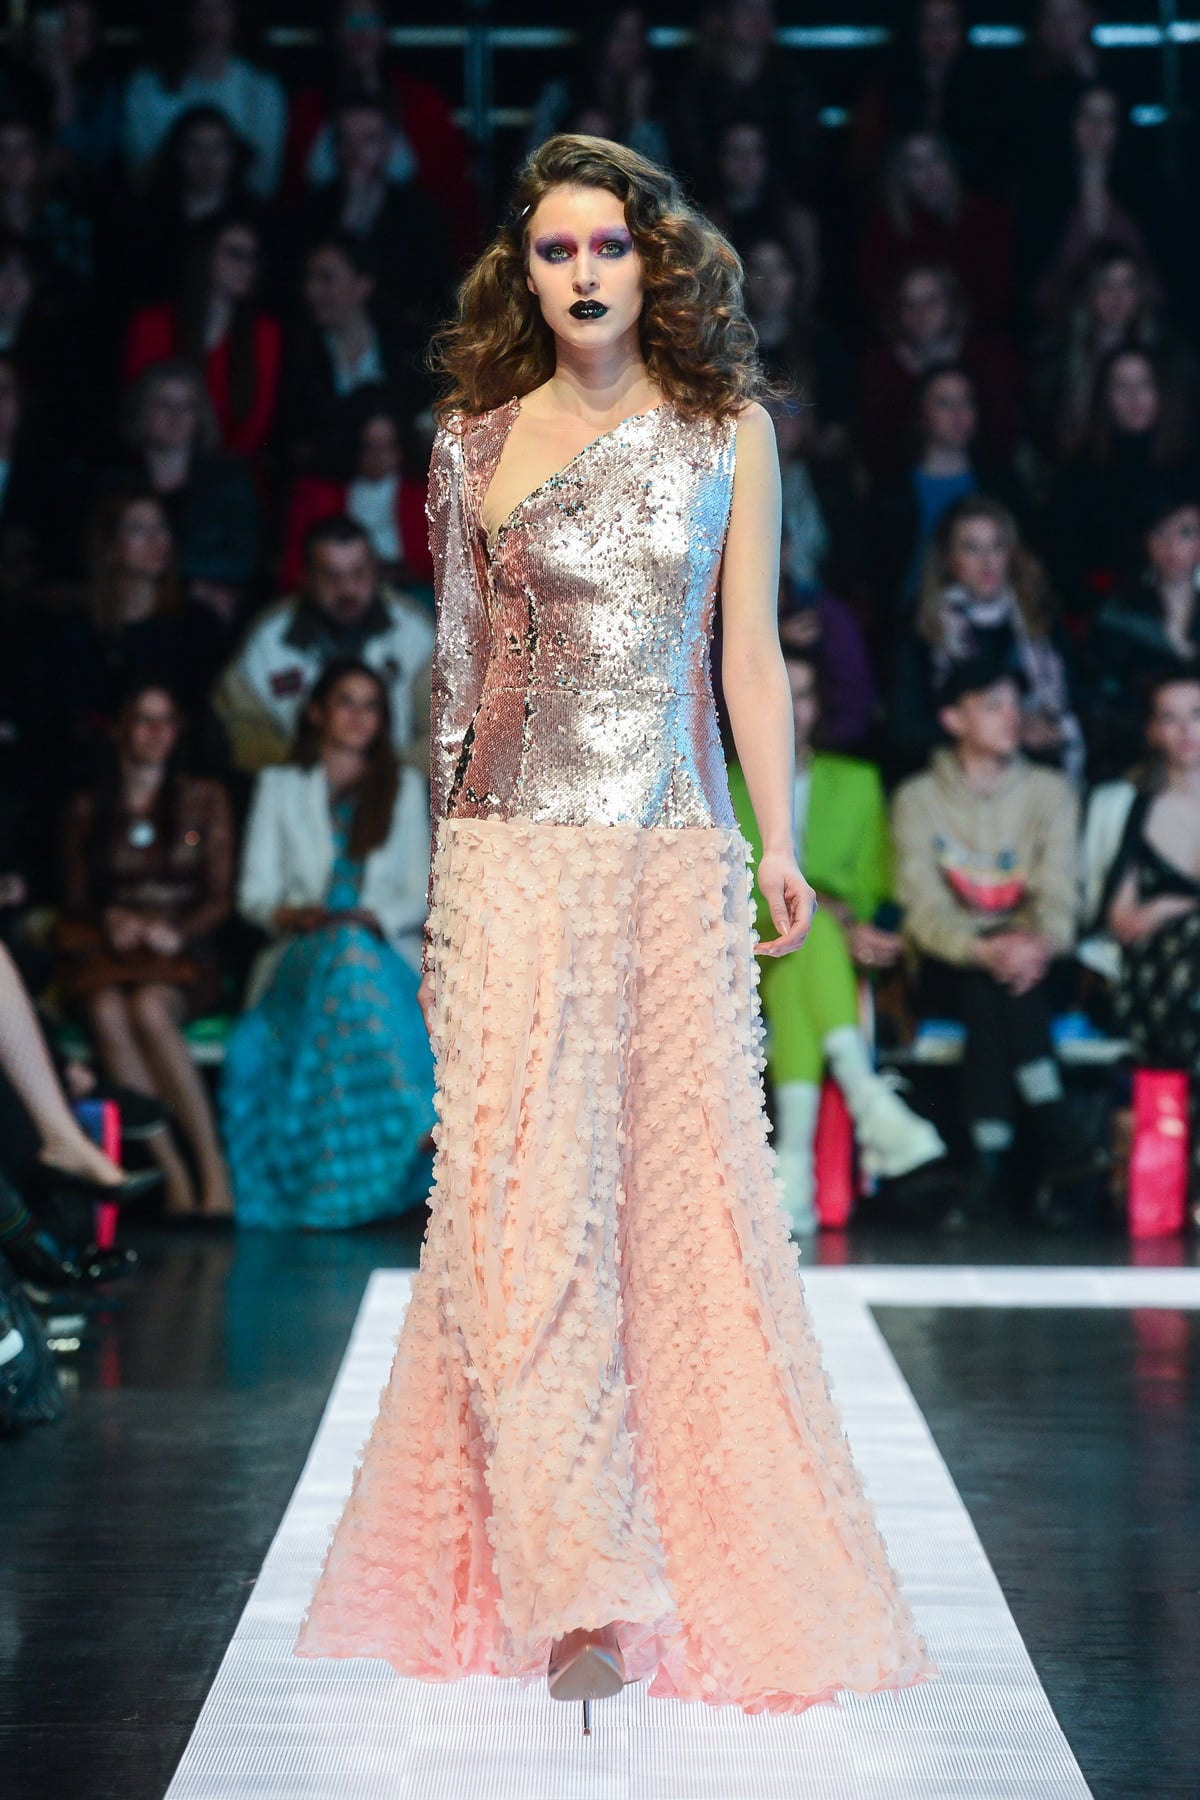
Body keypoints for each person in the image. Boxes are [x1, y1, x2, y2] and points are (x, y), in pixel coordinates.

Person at [294, 131, 935, 1724]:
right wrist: (444, 890)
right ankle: (573, 1575)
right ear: (522, 275)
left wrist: (778, 843)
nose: (584, 273)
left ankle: (668, 1550)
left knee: (672, 1213)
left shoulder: (728, 433)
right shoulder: (470, 440)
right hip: (510, 862)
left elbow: (746, 662)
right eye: (555, 250)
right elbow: (456, 683)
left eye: (609, 246)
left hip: (666, 860)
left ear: (654, 263)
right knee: (518, 1206)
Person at [727, 647, 945, 1232]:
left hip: (823, 951)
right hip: (748, 950)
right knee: (808, 929)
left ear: (819, 706)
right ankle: (867, 1097)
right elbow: (723, 887)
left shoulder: (857, 783)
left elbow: (873, 887)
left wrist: (853, 923)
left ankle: (793, 1167)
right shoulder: (723, 783)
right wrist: (817, 908)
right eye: (783, 690)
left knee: (810, 943)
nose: (791, 707)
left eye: (802, 694)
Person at [222, 659, 434, 1230]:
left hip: (380, 948)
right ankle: (417, 1117)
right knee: (342, 951)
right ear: (317, 712)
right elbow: (254, 894)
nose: (360, 716)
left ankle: (388, 1146)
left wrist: (370, 918)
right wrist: (294, 914)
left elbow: (419, 890)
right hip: (301, 950)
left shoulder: (402, 787)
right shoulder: (280, 786)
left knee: (353, 953)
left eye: (371, 705)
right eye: (346, 701)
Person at [891, 654, 1087, 1227]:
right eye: (993, 705)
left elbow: (1060, 895)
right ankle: (1056, 1133)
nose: (1011, 717)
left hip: (1033, 961)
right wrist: (981, 949)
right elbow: (922, 909)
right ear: (954, 719)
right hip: (948, 961)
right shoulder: (918, 798)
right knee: (985, 985)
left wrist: (1039, 944)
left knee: (999, 991)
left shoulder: (1050, 792)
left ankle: (987, 1165)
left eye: (1015, 705)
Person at [57, 681, 235, 1220]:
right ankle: (173, 1174)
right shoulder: (88, 807)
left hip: (181, 955)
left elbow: (220, 896)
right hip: (112, 956)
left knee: (149, 1009)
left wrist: (176, 931)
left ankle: (212, 1170)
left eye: (166, 720)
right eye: (143, 719)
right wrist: (110, 921)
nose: (157, 732)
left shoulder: (204, 797)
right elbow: (74, 903)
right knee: (108, 1009)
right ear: (119, 730)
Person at [1086, 671, 1200, 1212]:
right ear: (1153, 730)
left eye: (1196, 715)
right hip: (1153, 976)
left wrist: (1176, 905)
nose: (1186, 731)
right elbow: (1124, 922)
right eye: (1170, 718)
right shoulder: (1129, 805)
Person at [211, 514, 433, 775]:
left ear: (376, 571)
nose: (347, 588)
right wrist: (304, 774)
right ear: (306, 577)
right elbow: (240, 726)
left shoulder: (413, 628)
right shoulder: (268, 636)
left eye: (359, 573)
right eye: (331, 576)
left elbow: (445, 727)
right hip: (294, 787)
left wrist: (386, 780)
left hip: (397, 783)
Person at [890, 494, 1084, 781]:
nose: (987, 561)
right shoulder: (923, 625)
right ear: (947, 559)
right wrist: (1003, 730)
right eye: (971, 548)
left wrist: (1046, 726)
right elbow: (904, 729)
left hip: (1041, 772)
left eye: (997, 546)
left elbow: (1077, 698)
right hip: (953, 777)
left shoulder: (1038, 612)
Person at [107, 358, 262, 625]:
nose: (176, 415)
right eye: (163, 404)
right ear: (141, 411)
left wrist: (167, 572)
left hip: (206, 616)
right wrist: (190, 584)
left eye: (187, 405)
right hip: (129, 607)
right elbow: (102, 553)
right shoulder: (116, 482)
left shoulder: (230, 481)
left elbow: (244, 560)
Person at [1044, 346, 1198, 612]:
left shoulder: (1189, 463)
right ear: (1105, 397)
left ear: (1161, 390)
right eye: (1122, 386)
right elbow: (1061, 557)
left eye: (1144, 384)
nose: (1135, 396)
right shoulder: (1080, 471)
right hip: (1107, 610)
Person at [122, 211, 281, 460]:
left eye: (253, 257)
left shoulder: (264, 334)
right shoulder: (152, 326)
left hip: (231, 468)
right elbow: (139, 410)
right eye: (235, 254)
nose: (248, 266)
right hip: (157, 462)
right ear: (204, 255)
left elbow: (257, 420)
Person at [1083, 494, 1200, 779]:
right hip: (1136, 761)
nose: (1172, 546)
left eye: (1186, 533)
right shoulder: (1118, 615)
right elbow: (1097, 700)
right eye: (1160, 532)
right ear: (1145, 540)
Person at [121, 0, 286, 200]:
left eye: (220, 9)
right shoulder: (147, 84)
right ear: (186, 15)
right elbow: (140, 168)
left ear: (235, 14)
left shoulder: (261, 87)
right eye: (201, 9)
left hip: (240, 211)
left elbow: (264, 173)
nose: (211, 20)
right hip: (162, 208)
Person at [279, 383, 432, 594]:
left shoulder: (423, 491)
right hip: (335, 592)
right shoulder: (317, 492)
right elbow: (296, 569)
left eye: (389, 445)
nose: (379, 457)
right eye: (369, 446)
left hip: (408, 593)